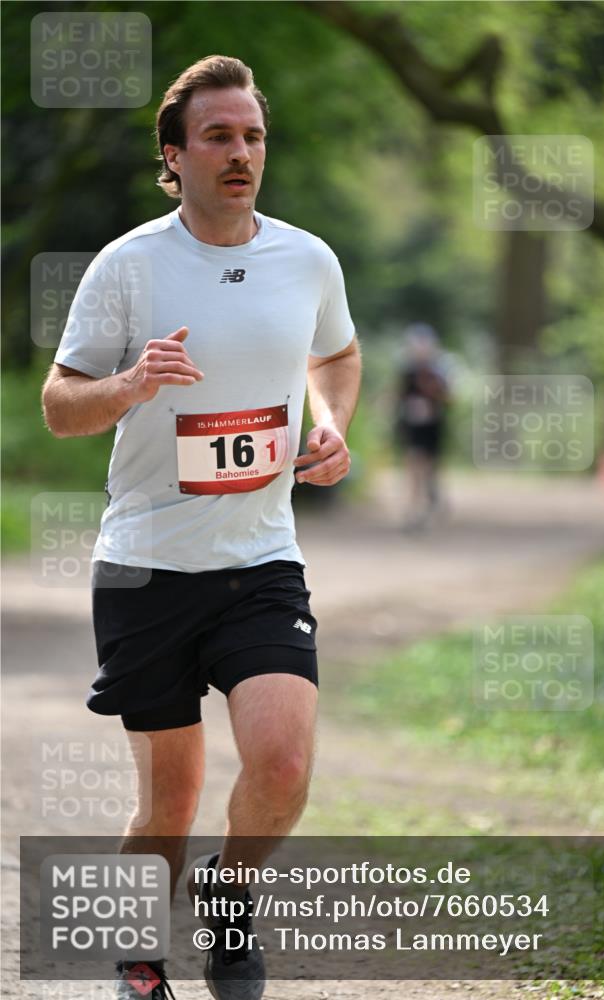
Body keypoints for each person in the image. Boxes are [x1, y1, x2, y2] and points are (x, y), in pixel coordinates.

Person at [41, 55, 361, 1000]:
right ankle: (138, 959)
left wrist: (331, 421)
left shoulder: (306, 258)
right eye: (218, 136)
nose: (240, 153)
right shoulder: (129, 265)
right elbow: (60, 405)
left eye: (252, 136)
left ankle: (230, 893)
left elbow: (337, 353)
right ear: (174, 156)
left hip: (260, 559)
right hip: (146, 568)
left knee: (284, 762)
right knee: (168, 804)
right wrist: (130, 384)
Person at [395, 323, 449, 530]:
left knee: (429, 467)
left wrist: (432, 389)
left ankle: (428, 501)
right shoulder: (407, 370)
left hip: (432, 427)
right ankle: (414, 509)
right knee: (414, 465)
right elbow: (399, 395)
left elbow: (448, 398)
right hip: (411, 427)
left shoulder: (439, 370)